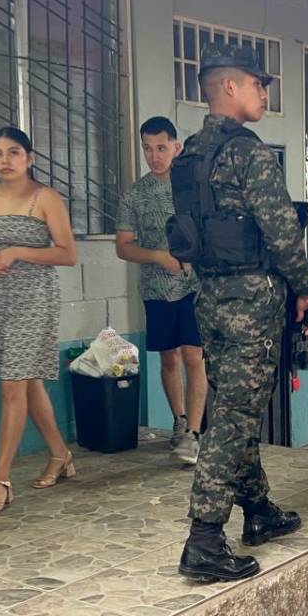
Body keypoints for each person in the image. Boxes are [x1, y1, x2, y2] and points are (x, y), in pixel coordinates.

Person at [176, 43, 308, 581]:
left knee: (231, 407)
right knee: (235, 417)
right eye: (257, 83)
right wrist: (305, 288)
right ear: (230, 87)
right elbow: (282, 231)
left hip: (210, 298)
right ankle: (204, 540)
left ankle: (258, 510)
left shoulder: (190, 155)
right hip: (249, 301)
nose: (265, 92)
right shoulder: (250, 153)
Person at [0, 127, 77, 517]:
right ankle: (60, 454)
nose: (5, 160)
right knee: (27, 384)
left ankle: (0, 480)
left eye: (14, 152)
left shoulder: (45, 198)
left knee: (12, 383)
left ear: (30, 158)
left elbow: (67, 254)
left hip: (35, 299)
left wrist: (16, 252)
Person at [116, 116, 206, 465]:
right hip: (156, 288)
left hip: (194, 287)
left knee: (194, 355)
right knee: (169, 357)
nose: (154, 156)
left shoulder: (192, 189)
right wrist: (157, 256)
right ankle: (180, 422)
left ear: (176, 148)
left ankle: (195, 434)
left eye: (161, 148)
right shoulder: (135, 195)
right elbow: (123, 246)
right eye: (148, 149)